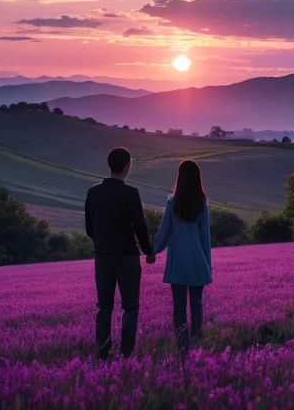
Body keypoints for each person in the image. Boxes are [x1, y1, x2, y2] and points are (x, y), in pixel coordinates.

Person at [85, 146, 155, 358]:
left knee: (104, 306)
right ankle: (126, 354)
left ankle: (103, 354)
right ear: (127, 166)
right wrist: (148, 251)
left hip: (103, 257)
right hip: (127, 257)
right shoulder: (131, 193)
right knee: (130, 307)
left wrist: (102, 243)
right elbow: (140, 226)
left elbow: (89, 228)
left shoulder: (93, 192)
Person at [153, 159, 212, 351]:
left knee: (178, 306)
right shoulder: (201, 203)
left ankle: (181, 344)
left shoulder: (172, 202)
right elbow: (206, 238)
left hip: (177, 262)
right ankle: (197, 341)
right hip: (197, 261)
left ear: (180, 176)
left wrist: (152, 251)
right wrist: (208, 267)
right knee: (197, 303)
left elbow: (164, 232)